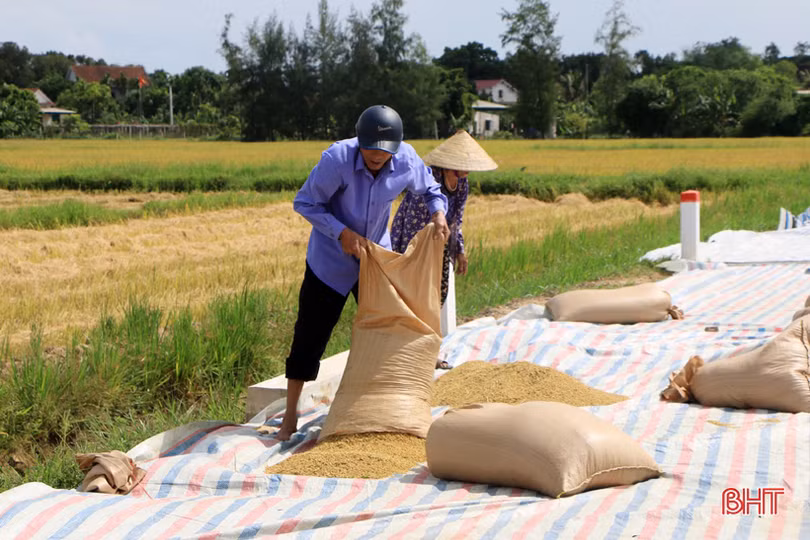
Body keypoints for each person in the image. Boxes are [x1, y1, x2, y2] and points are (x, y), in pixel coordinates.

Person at [276, 105, 450, 441]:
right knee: (310, 337)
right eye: (371, 149)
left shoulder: (406, 159)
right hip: (329, 262)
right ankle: (289, 418)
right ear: (360, 142)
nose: (377, 157)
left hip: (375, 261)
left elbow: (431, 189)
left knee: (388, 327)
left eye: (385, 152)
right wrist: (341, 233)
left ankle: (381, 407)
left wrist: (438, 213)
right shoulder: (337, 160)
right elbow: (305, 203)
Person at [390, 130, 498, 359]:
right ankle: (412, 349)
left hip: (440, 242)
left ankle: (428, 348)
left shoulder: (462, 184)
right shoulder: (429, 182)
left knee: (436, 296)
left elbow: (456, 220)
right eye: (461, 165)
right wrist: (418, 259)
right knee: (415, 295)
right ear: (448, 165)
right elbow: (415, 227)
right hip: (416, 243)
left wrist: (460, 249)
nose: (466, 170)